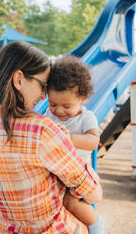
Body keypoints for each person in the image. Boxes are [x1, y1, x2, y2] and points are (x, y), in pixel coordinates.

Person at [0, 41, 102, 233]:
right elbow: (94, 195)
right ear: (19, 79)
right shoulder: (42, 131)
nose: (42, 96)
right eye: (42, 86)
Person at [45, 55, 104, 234]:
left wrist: (66, 137)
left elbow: (93, 142)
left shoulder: (86, 118)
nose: (59, 111)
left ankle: (96, 226)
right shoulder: (49, 114)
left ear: (82, 99)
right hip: (56, 173)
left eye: (67, 106)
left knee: (69, 202)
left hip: (79, 175)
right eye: (53, 103)